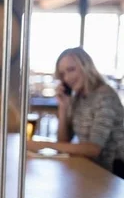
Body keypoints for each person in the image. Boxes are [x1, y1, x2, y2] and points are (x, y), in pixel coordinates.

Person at [27, 47, 124, 178]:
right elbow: (64, 140)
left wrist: (45, 144)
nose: (67, 78)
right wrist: (63, 107)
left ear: (86, 67)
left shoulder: (105, 95)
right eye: (62, 74)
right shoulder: (77, 98)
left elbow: (93, 149)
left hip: (116, 172)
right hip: (95, 170)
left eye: (71, 70)